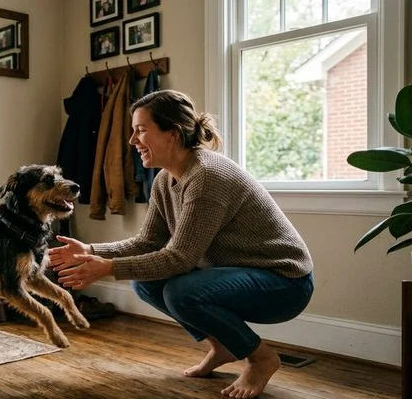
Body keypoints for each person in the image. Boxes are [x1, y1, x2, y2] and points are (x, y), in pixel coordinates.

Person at [48, 90, 314, 399]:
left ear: (172, 134)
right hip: (240, 274)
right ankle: (223, 345)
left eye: (141, 130)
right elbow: (148, 242)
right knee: (146, 284)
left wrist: (107, 268)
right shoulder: (165, 179)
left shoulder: (207, 177)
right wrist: (91, 251)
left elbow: (180, 259)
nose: (132, 140)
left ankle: (262, 359)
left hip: (285, 283)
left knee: (180, 292)